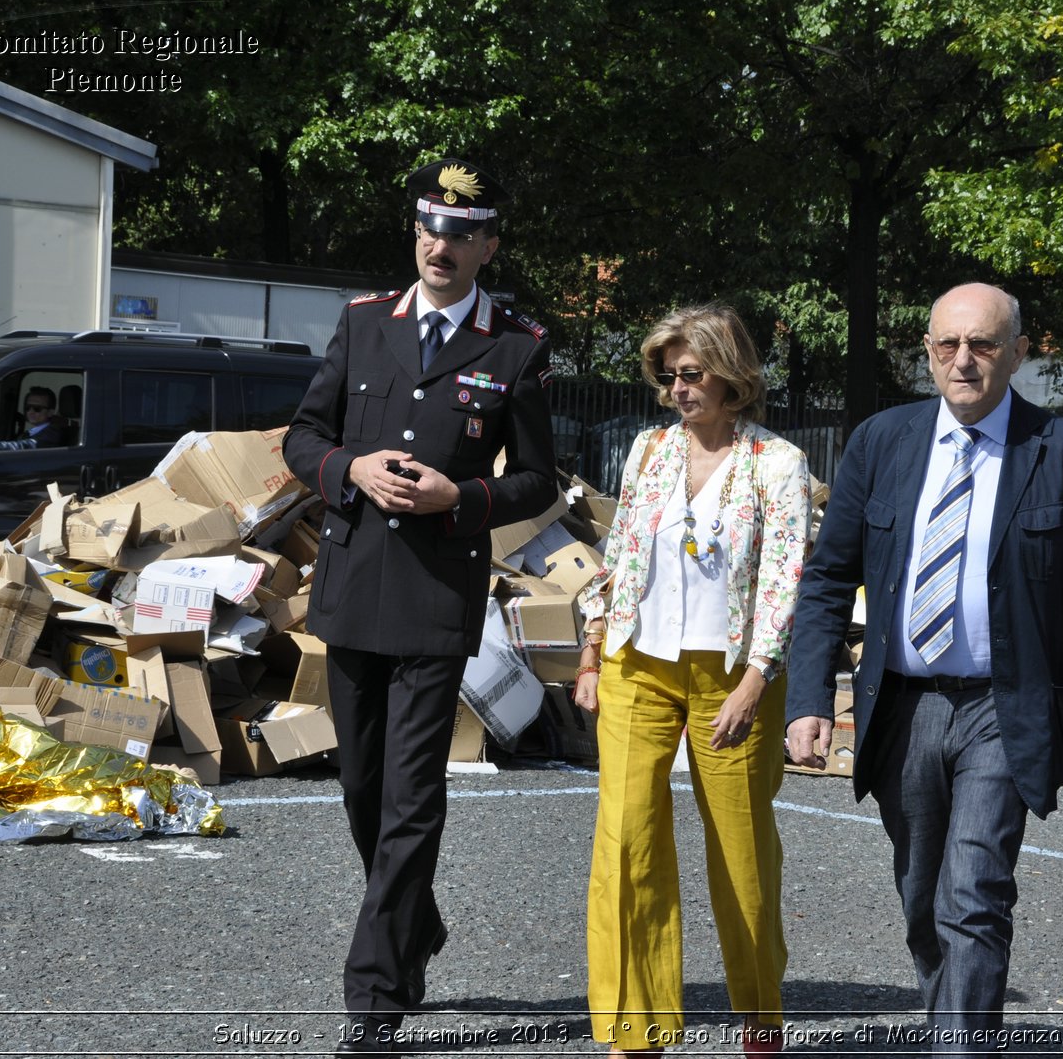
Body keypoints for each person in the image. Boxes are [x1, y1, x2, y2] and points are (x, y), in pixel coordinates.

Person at [785, 283, 1063, 1055]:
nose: (963, 360)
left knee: (974, 891)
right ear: (929, 353)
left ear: (1018, 352)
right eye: (948, 345)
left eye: (982, 345)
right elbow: (826, 580)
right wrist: (806, 695)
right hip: (902, 707)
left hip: (1004, 710)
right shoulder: (882, 442)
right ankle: (956, 1027)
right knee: (923, 900)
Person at [282, 157, 558, 1055]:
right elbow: (302, 436)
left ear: (489, 245)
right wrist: (348, 470)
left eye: (462, 232)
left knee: (412, 797)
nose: (442, 244)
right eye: (430, 227)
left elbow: (537, 481)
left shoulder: (517, 344)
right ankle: (416, 923)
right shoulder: (365, 323)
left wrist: (459, 497)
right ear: (415, 233)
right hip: (355, 586)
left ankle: (372, 998)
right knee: (362, 787)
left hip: (440, 597)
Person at [574, 304, 811, 1056]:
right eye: (667, 374)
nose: (677, 387)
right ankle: (633, 1034)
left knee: (741, 852)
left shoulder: (777, 461)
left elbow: (784, 581)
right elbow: (620, 557)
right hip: (636, 664)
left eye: (691, 372)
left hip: (732, 673)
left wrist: (754, 681)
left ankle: (760, 1019)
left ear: (732, 375)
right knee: (626, 841)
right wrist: (591, 647)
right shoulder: (646, 450)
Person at [0, 385, 66, 450]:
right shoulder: (32, 432)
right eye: (27, 408)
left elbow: (22, 446)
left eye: (37, 408)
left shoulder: (52, 434)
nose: (30, 412)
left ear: (50, 412)